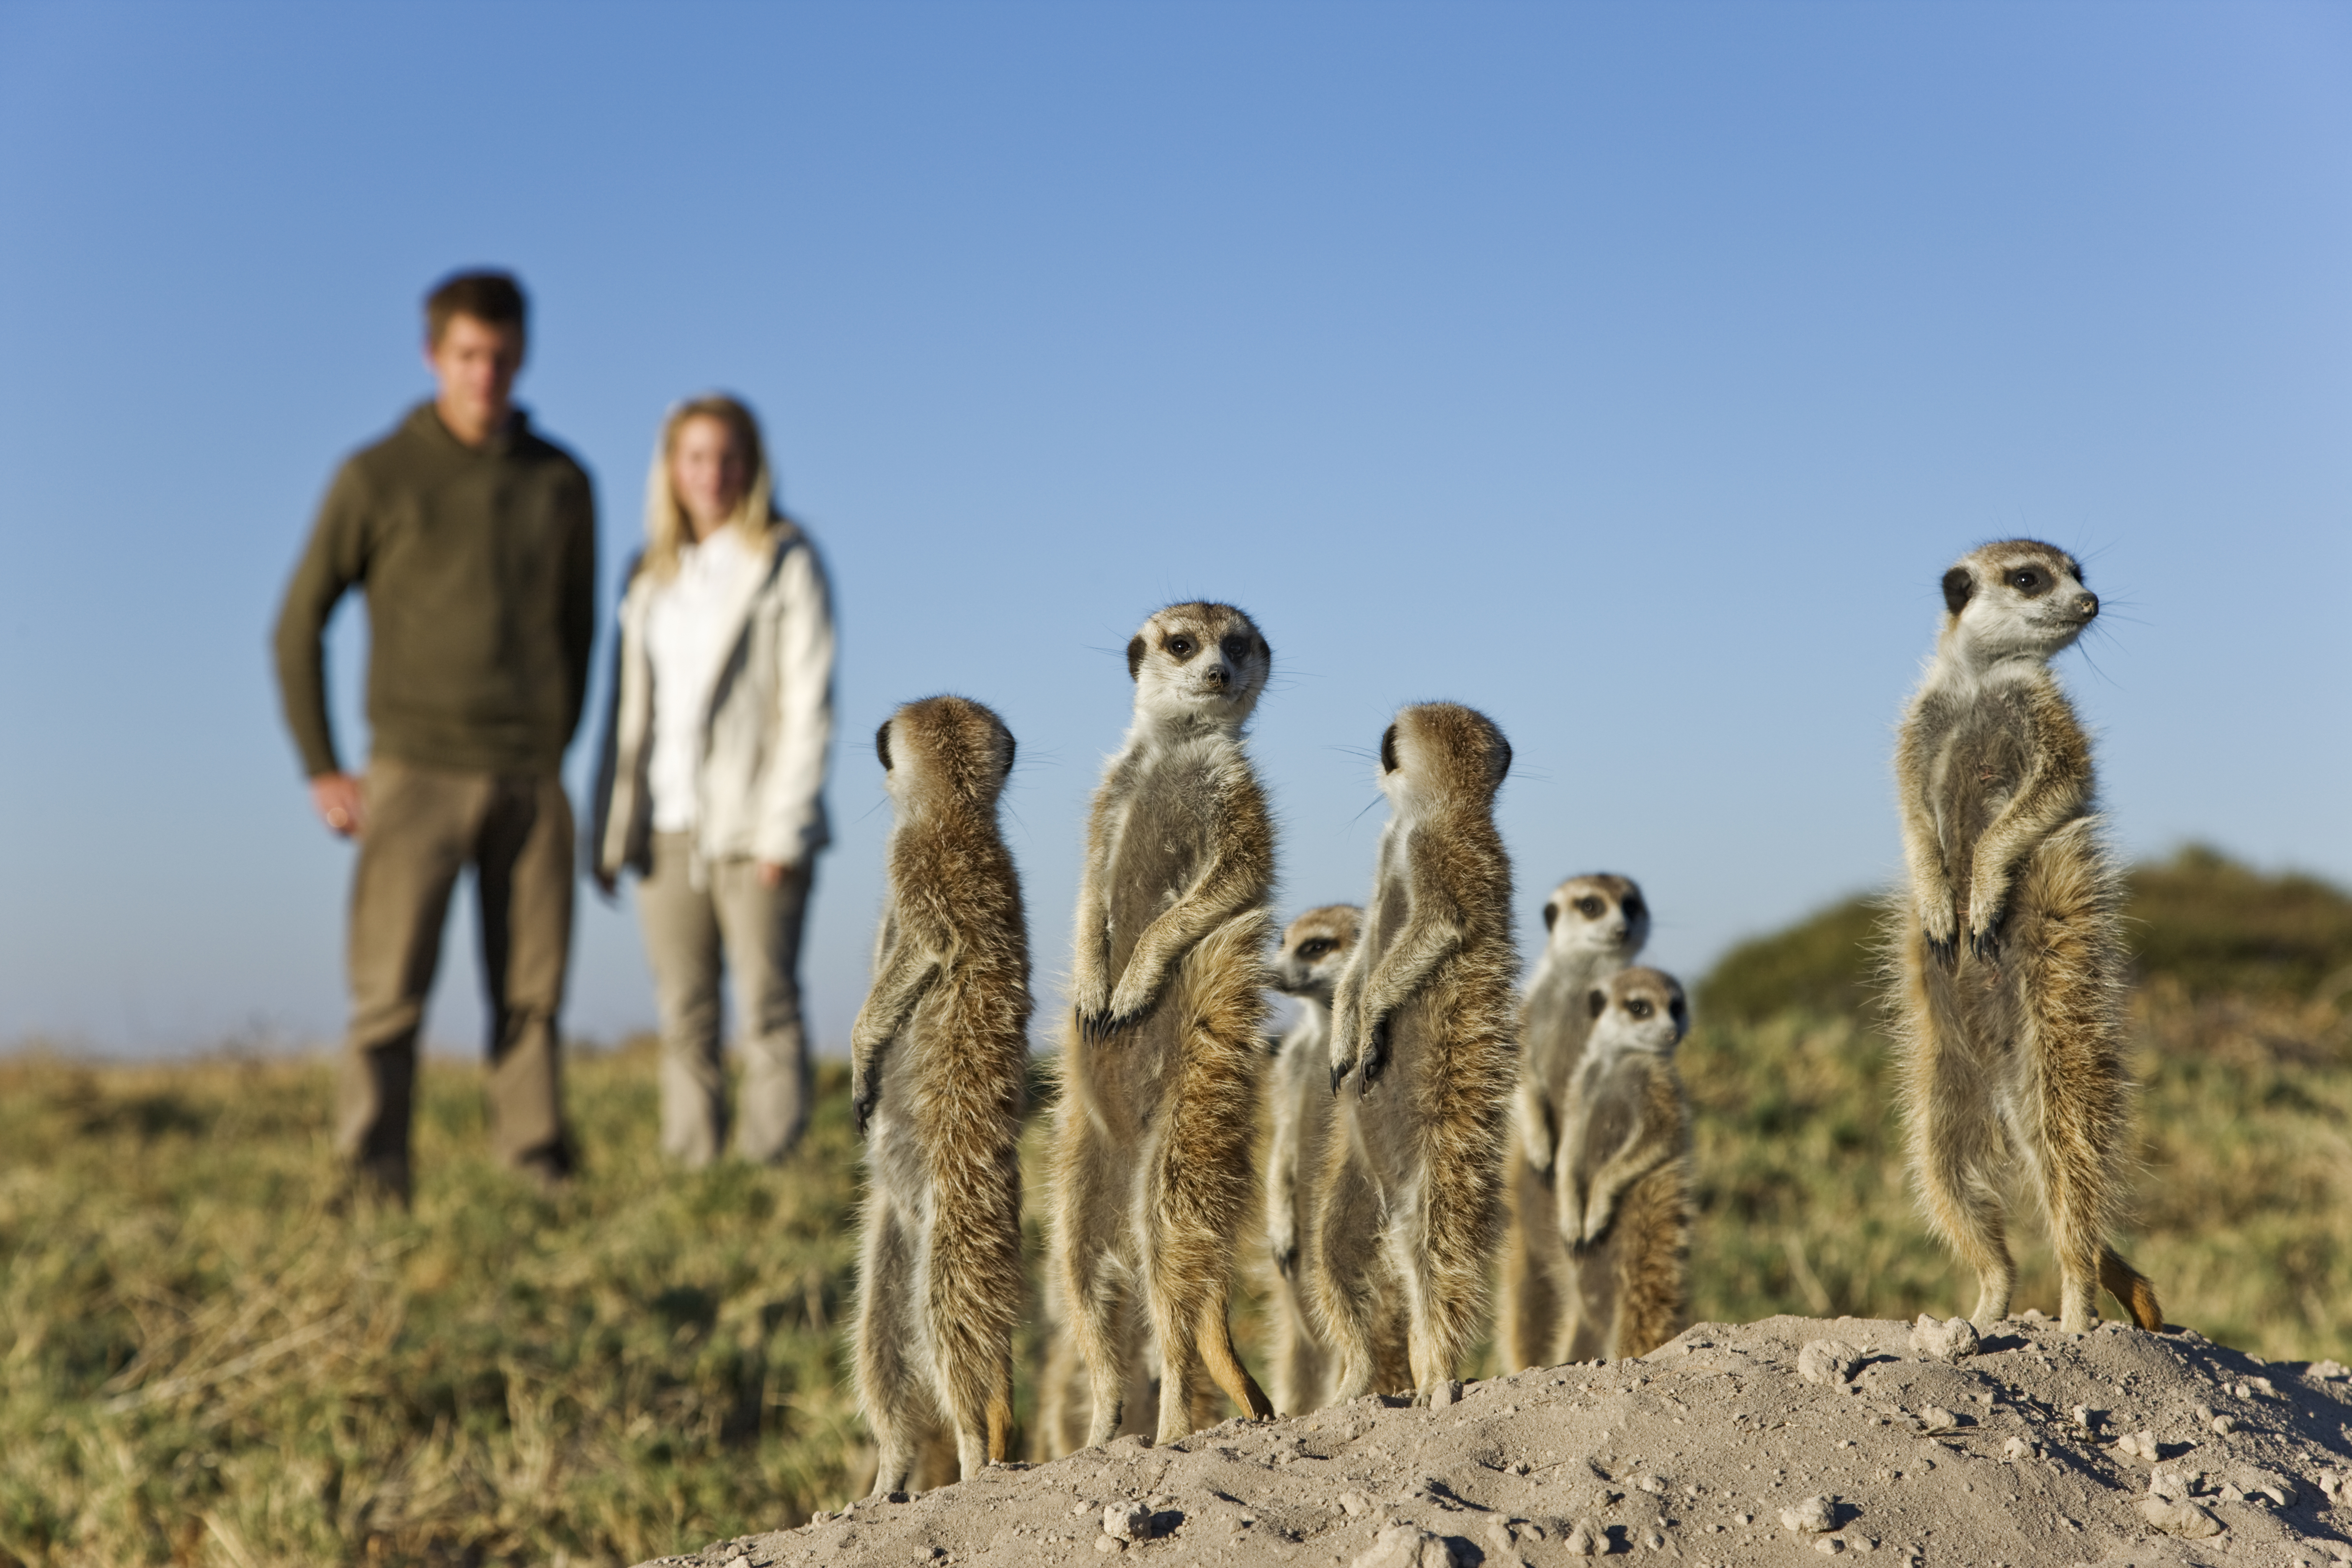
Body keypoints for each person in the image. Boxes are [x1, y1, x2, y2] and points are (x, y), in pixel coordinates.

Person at [273, 270, 597, 1204]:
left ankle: (538, 1172)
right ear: (433, 357)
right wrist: (323, 765)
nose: (484, 375)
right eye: (466, 356)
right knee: (388, 994)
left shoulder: (563, 481)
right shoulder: (375, 475)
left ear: (522, 356)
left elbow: (579, 632)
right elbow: (298, 623)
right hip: (413, 769)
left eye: (500, 357)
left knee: (532, 995)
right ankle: (371, 1178)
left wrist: (554, 742)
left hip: (531, 776)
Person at [589, 395, 836, 1167]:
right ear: (671, 468)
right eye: (695, 457)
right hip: (668, 823)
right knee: (684, 1013)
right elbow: (629, 714)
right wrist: (612, 827)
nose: (712, 474)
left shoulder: (786, 560)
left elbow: (809, 703)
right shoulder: (648, 574)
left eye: (728, 457)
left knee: (767, 1005)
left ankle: (770, 1168)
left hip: (757, 823)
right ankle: (694, 1169)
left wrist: (783, 826)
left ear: (751, 465)